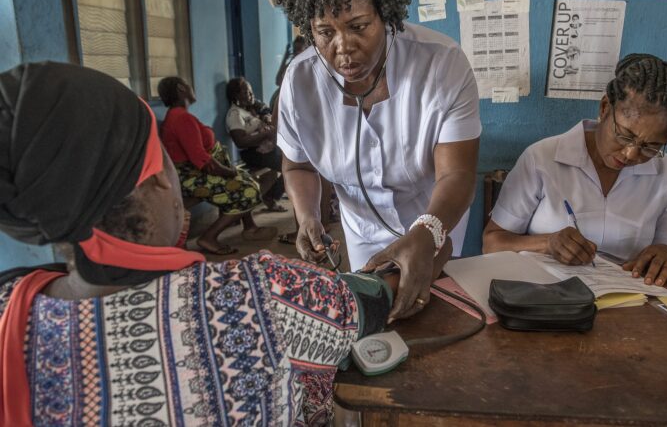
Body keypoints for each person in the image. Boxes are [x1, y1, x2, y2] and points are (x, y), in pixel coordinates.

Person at [0, 62, 445, 425]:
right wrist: (429, 242)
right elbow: (371, 299)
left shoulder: (9, 307)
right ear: (157, 177)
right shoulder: (258, 296)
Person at [276, 0, 481, 320]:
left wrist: (429, 234)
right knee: (373, 313)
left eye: (359, 27)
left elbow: (458, 173)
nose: (343, 48)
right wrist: (307, 217)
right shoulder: (299, 82)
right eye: (324, 32)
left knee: (436, 317)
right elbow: (297, 166)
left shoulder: (441, 63)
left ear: (385, 14)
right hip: (361, 231)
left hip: (434, 220)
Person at [484, 54, 667, 287]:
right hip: (545, 297)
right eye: (624, 135)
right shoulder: (542, 159)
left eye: (651, 146)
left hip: (628, 301)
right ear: (605, 108)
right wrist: (547, 243)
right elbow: (492, 243)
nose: (630, 154)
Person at [158, 76, 276, 255]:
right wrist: (229, 172)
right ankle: (208, 237)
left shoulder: (179, 116)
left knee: (245, 180)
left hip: (192, 175)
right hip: (192, 178)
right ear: (182, 89)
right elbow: (203, 161)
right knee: (249, 189)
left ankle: (250, 228)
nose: (193, 88)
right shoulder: (181, 119)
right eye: (189, 85)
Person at [225, 76, 286, 212]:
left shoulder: (252, 109)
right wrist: (265, 134)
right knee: (290, 166)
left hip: (267, 148)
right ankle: (271, 197)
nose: (251, 94)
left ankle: (270, 196)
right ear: (236, 95)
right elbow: (240, 142)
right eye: (246, 92)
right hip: (253, 152)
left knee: (292, 161)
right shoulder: (234, 114)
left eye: (251, 91)